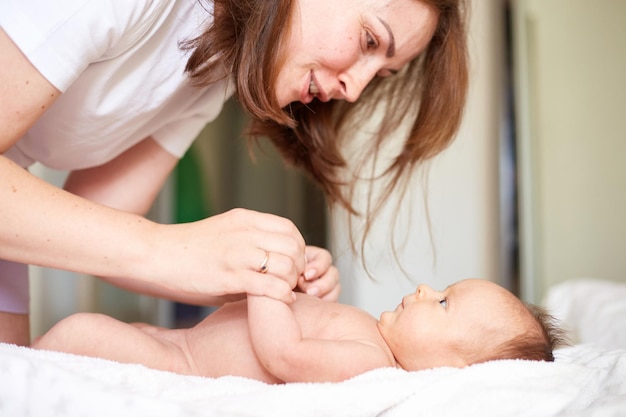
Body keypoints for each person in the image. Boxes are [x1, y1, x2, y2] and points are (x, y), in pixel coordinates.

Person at [0, 0, 469, 345]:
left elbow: (102, 218)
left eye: (381, 74)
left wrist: (250, 277)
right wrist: (169, 249)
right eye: (369, 40)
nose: (355, 88)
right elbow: (143, 246)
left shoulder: (215, 67)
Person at [32, 279, 566, 383]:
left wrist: (266, 285)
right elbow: (304, 325)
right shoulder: (367, 335)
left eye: (444, 302)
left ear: (449, 368)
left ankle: (20, 375)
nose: (425, 287)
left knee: (80, 331)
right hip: (185, 335)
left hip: (184, 361)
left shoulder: (370, 364)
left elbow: (283, 355)